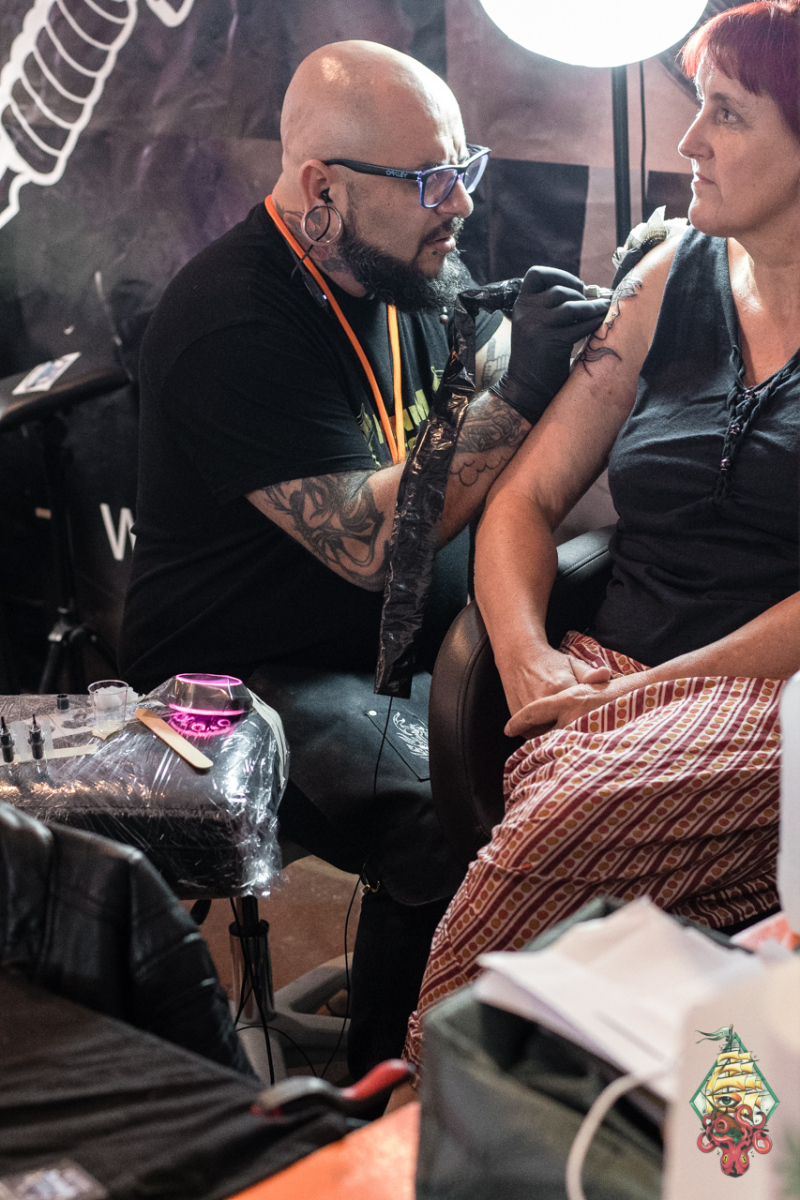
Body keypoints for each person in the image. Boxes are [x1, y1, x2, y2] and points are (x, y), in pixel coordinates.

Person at [117, 39, 607, 1076]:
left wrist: (540, 339)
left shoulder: (395, 263)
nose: (460, 204)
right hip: (236, 682)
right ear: (322, 190)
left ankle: (493, 1037)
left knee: (575, 761)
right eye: (430, 181)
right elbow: (371, 544)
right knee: (444, 808)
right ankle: (390, 1093)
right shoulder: (230, 321)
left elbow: (471, 374)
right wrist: (525, 386)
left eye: (464, 169)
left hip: (388, 654)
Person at [404, 0, 800, 1074]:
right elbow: (524, 502)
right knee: (587, 811)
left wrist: (649, 698)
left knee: (572, 807)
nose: (689, 141)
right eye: (695, 106)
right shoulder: (666, 276)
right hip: (602, 682)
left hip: (769, 701)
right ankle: (522, 1109)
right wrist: (530, 662)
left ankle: (423, 1089)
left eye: (727, 113)